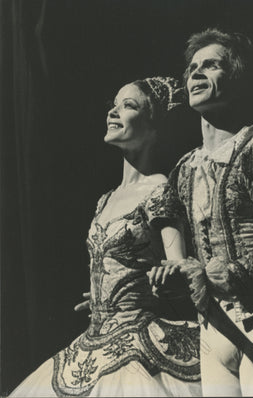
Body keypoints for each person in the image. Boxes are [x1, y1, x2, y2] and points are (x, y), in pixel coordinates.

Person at [10, 77, 201, 397]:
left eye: (129, 106)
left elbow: (179, 271)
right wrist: (105, 291)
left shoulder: (159, 190)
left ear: (154, 127)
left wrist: (148, 286)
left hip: (135, 341)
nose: (113, 112)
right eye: (114, 104)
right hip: (93, 338)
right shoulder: (106, 199)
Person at [150, 28, 253, 396]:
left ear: (237, 79)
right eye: (193, 67)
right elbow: (169, 240)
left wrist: (224, 275)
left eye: (210, 66)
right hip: (213, 329)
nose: (196, 73)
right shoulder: (184, 168)